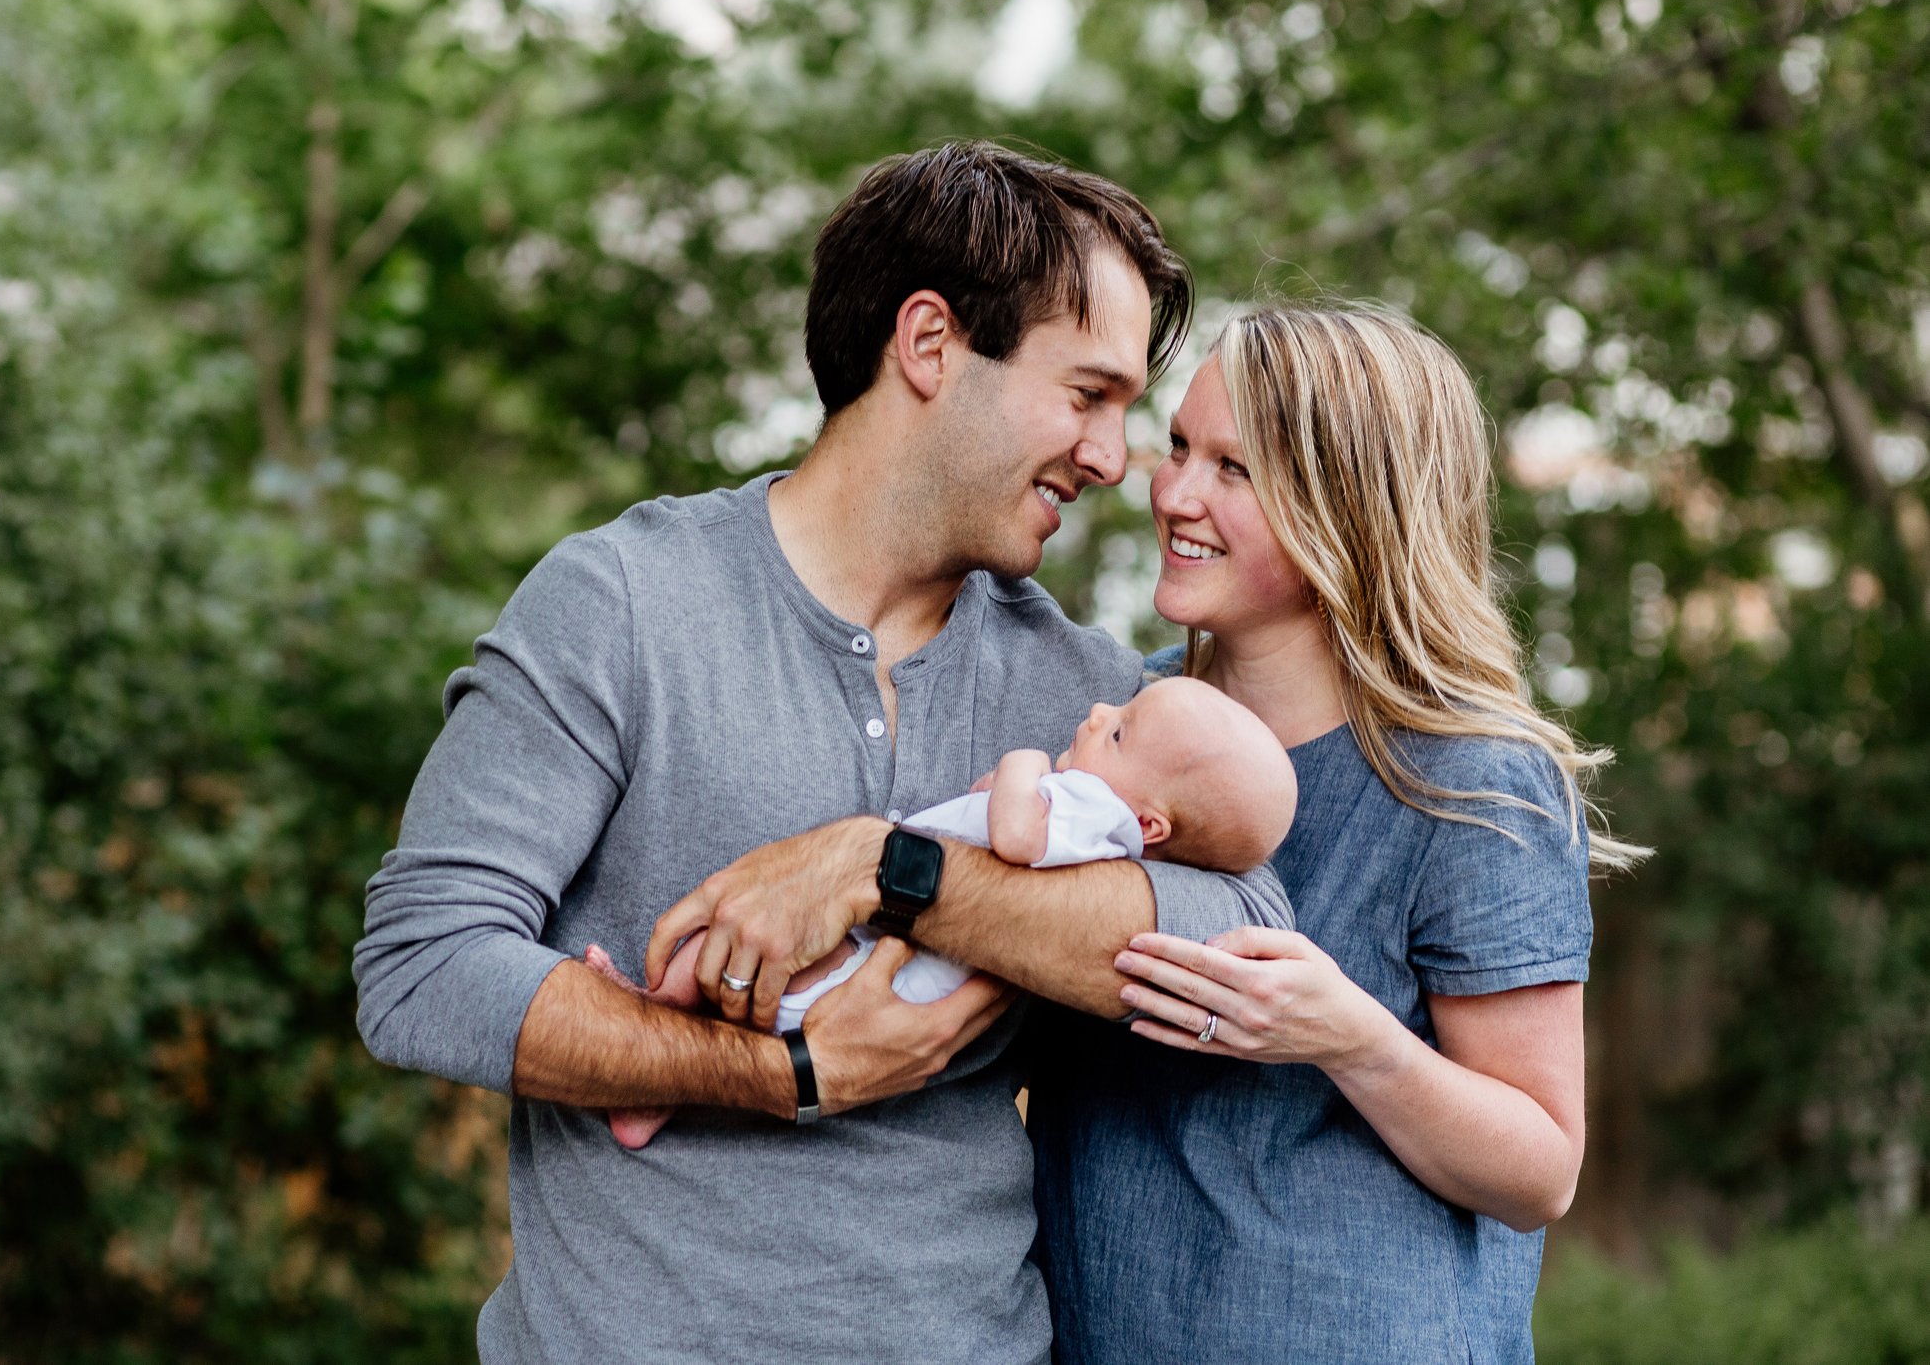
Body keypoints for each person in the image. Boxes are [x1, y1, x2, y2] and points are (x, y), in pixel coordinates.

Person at [351, 141, 1292, 1365]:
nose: (1114, 460)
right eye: (1086, 394)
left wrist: (887, 867)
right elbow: (422, 968)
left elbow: (1244, 933)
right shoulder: (624, 603)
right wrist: (786, 1068)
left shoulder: (1086, 697)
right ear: (929, 342)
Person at [656, 298, 1643, 1364]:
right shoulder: (1111, 728)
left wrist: (1345, 1035)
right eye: (1179, 446)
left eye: (1235, 468)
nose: (1171, 491)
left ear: (1348, 506)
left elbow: (1539, 1167)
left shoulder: (1470, 779)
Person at [595, 675, 1296, 1148]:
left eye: (1119, 733)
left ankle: (652, 1032)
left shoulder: (1097, 810)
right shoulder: (1105, 824)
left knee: (724, 947)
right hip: (888, 967)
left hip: (876, 971)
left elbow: (1018, 836)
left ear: (1151, 827)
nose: (1096, 714)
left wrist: (1023, 767)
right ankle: (656, 1078)